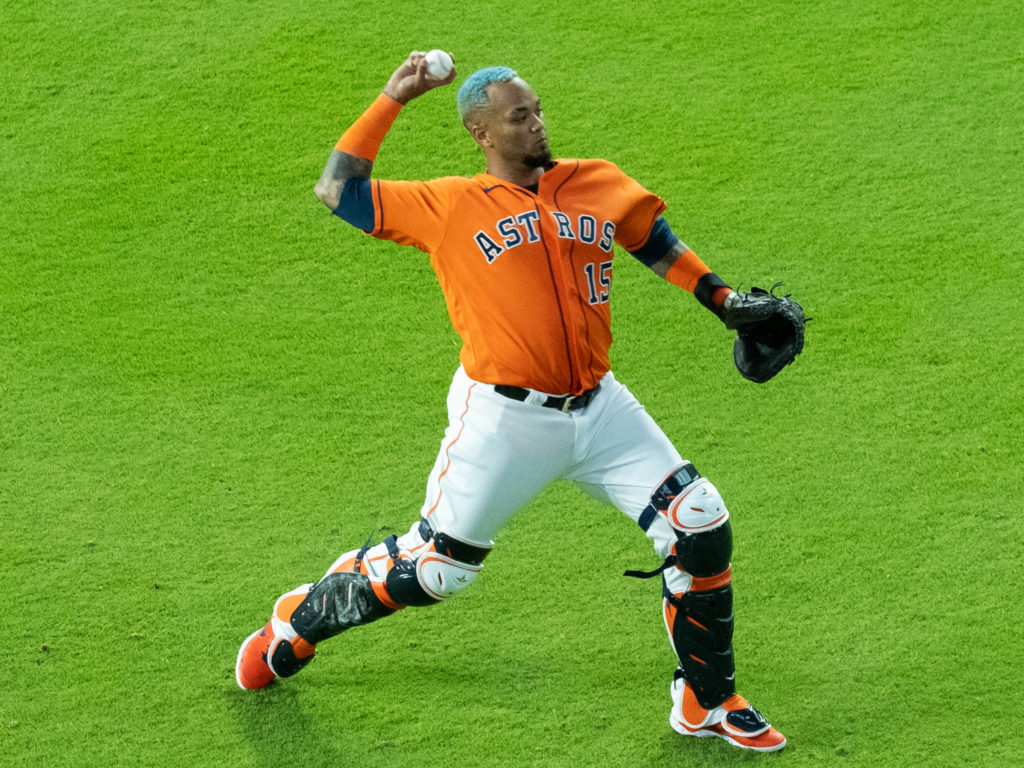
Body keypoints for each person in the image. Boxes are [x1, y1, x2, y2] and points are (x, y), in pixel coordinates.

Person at [235, 51, 786, 753]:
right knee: (435, 571)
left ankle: (707, 700)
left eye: (537, 111)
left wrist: (722, 300)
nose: (536, 125)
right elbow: (337, 190)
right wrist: (392, 99)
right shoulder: (447, 206)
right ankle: (297, 621)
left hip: (601, 406)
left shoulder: (594, 183)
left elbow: (652, 238)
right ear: (481, 133)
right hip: (505, 418)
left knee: (699, 522)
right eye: (518, 117)